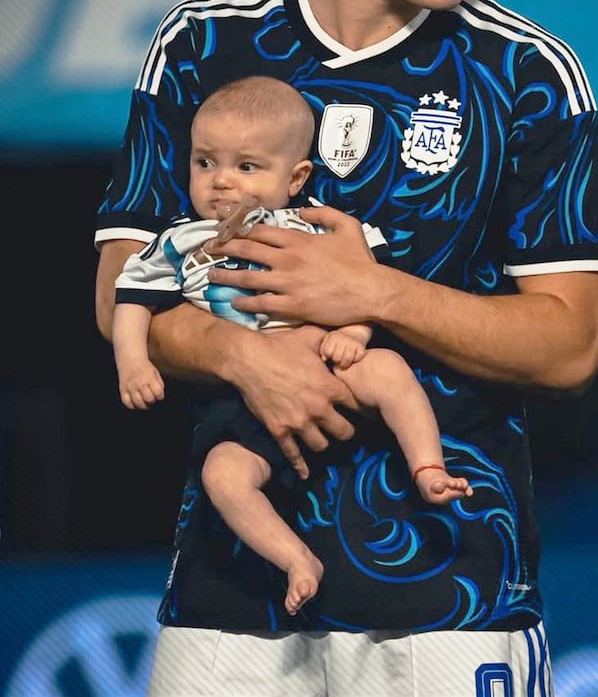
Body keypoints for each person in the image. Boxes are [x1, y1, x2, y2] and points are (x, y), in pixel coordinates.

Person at [94, 0, 598, 694]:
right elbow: (122, 288)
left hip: (450, 588)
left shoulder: (527, 73)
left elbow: (571, 344)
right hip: (230, 588)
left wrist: (372, 292)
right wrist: (242, 354)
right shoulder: (201, 44)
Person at [111, 74, 473, 617]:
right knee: (223, 476)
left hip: (329, 363)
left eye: (246, 166)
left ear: (296, 176)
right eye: (205, 163)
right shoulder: (180, 241)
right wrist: (133, 362)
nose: (221, 181)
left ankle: (428, 469)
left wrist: (354, 333)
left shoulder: (316, 229)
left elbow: (369, 290)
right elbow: (130, 299)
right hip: (243, 398)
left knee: (389, 369)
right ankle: (297, 560)